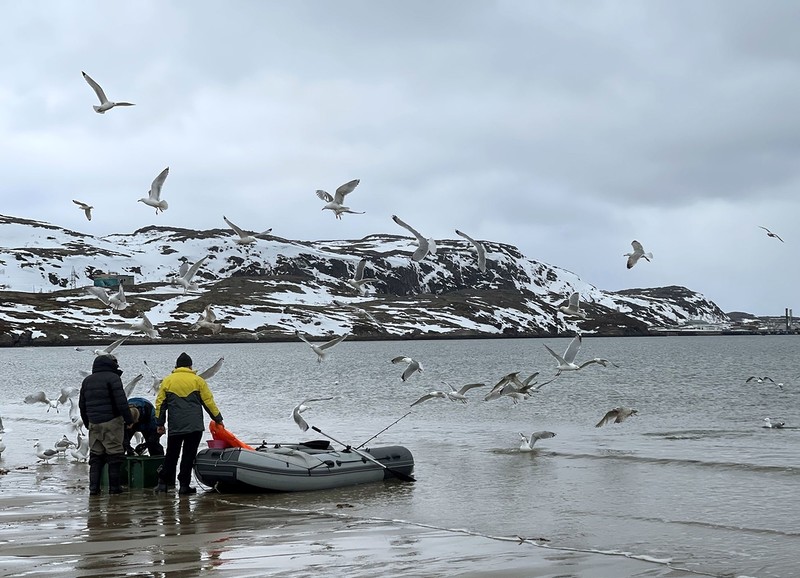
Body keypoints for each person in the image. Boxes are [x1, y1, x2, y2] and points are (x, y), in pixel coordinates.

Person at [154, 352, 224, 495]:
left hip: (175, 426)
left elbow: (160, 404)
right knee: (188, 455)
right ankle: (184, 486)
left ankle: (163, 483)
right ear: (190, 366)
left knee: (172, 454)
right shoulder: (198, 381)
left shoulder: (167, 381)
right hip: (194, 427)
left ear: (176, 366)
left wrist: (160, 423)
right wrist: (218, 418)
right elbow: (208, 402)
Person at [78, 354, 135, 496]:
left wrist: (87, 423)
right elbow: (121, 402)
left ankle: (93, 489)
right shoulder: (113, 378)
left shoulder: (87, 381)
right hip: (111, 422)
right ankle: (114, 489)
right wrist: (129, 420)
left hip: (93, 423)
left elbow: (82, 405)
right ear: (111, 365)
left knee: (96, 457)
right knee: (115, 455)